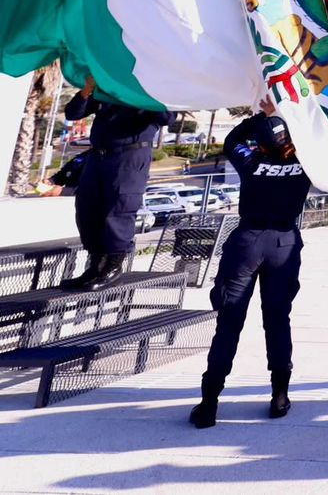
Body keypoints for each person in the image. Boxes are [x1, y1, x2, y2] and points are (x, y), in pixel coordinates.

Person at [190, 101, 311, 428]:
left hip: (247, 242)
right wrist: (289, 115)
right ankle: (280, 396)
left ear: (261, 143)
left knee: (229, 321)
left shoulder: (251, 161)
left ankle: (209, 402)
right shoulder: (306, 163)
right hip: (284, 243)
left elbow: (232, 141)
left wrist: (261, 115)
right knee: (278, 319)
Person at [59, 74, 174, 291]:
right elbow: (73, 113)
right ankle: (95, 267)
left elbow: (167, 117)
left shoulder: (151, 88)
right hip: (98, 156)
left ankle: (113, 267)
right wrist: (87, 89)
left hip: (129, 156)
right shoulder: (109, 87)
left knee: (118, 209)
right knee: (87, 208)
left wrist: (146, 92)